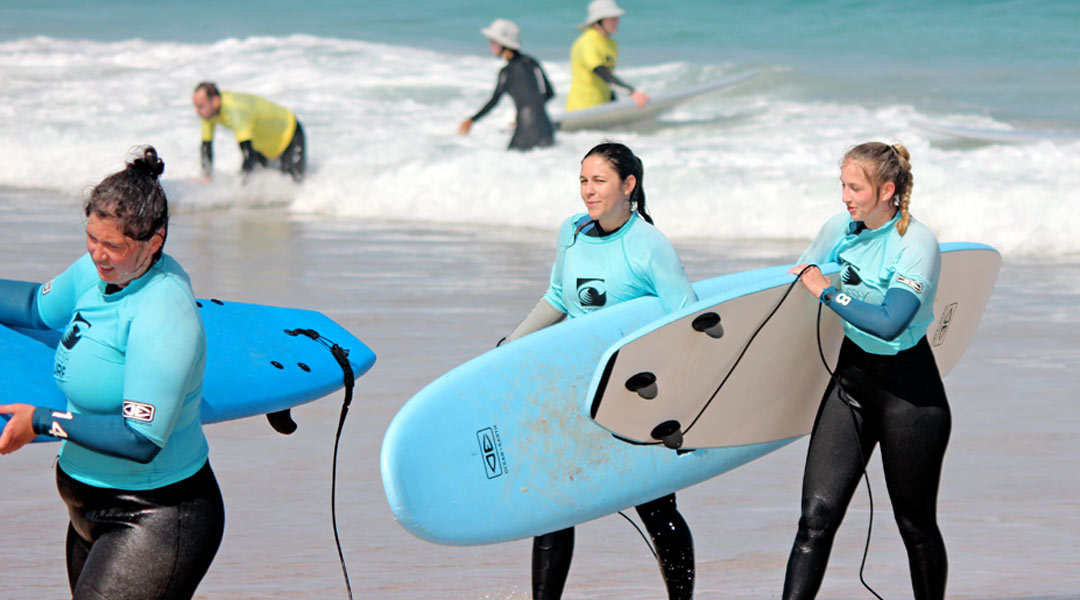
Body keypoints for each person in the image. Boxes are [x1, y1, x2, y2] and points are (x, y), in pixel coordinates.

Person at [0, 147, 225, 599]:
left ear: (154, 240)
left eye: (114, 245)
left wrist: (42, 421)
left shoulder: (163, 315)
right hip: (85, 503)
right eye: (92, 238)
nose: (99, 255)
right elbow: (35, 308)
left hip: (155, 514)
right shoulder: (97, 271)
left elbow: (140, 439)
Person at [502, 142, 695, 599]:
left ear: (628, 185)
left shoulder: (648, 246)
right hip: (576, 386)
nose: (588, 191)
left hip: (633, 396)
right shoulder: (571, 232)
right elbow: (556, 297)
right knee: (556, 506)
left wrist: (678, 404)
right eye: (583, 180)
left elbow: (685, 318)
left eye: (599, 180)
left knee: (656, 508)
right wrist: (510, 347)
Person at [783, 142, 949, 599]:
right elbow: (795, 281)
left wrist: (827, 293)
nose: (845, 196)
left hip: (910, 397)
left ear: (887, 189)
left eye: (855, 187)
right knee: (814, 521)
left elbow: (890, 320)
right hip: (850, 385)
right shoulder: (839, 229)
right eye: (843, 185)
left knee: (915, 526)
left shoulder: (916, 243)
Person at [458, 18, 556, 151]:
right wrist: (534, 110)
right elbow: (550, 93)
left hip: (526, 131)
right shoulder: (532, 62)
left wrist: (471, 120)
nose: (490, 44)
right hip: (546, 127)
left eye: (493, 41)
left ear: (503, 44)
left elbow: (494, 101)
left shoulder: (506, 72)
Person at [192, 81, 306, 182]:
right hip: (264, 145)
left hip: (289, 133)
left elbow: (248, 155)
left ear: (216, 101)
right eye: (196, 107)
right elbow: (206, 147)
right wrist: (206, 177)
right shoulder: (208, 114)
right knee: (262, 179)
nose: (197, 112)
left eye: (201, 107)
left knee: (292, 183)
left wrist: (240, 190)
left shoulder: (235, 110)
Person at [565, 0, 649, 112]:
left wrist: (615, 104)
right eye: (612, 19)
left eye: (617, 18)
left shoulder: (610, 43)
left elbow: (608, 82)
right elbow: (602, 73)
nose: (617, 22)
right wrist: (632, 92)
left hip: (603, 107)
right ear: (598, 22)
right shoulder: (587, 42)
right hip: (582, 108)